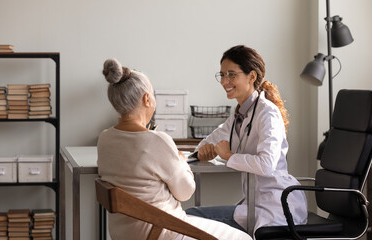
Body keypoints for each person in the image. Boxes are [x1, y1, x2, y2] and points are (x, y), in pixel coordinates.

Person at [97, 58, 252, 240]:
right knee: (245, 238)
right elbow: (185, 192)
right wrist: (180, 161)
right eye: (152, 95)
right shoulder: (157, 141)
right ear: (147, 99)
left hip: (124, 233)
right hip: (162, 230)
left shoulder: (105, 138)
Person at [185, 45, 308, 233]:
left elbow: (266, 165)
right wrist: (203, 152)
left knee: (191, 217)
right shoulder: (238, 116)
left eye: (231, 75)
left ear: (251, 77)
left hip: (275, 206)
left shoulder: (268, 114)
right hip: (254, 203)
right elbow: (205, 145)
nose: (224, 81)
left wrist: (228, 155)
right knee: (192, 217)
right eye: (222, 75)